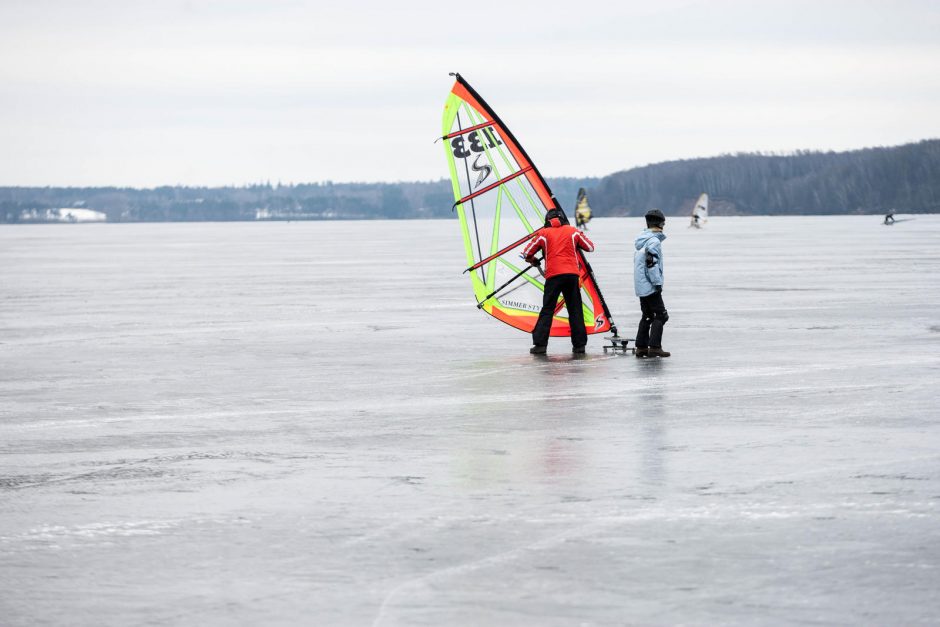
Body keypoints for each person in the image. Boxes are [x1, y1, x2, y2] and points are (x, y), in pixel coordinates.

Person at [523, 208, 595, 355]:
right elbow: (590, 247)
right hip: (571, 276)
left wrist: (533, 260)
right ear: (562, 218)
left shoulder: (543, 234)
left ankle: (540, 345)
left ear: (547, 220)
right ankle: (579, 346)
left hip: (553, 276)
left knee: (547, 310)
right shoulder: (572, 231)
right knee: (575, 310)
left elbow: (526, 253)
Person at [633, 209, 670, 358]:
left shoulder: (642, 240)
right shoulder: (654, 241)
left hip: (641, 285)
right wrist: (657, 283)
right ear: (660, 224)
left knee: (647, 315)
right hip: (650, 285)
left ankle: (641, 347)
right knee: (661, 315)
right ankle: (655, 347)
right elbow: (652, 264)